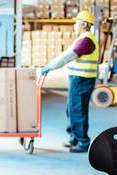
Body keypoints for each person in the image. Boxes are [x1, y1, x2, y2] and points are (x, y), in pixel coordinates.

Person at [40, 11, 99, 153]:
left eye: (77, 21)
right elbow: (66, 54)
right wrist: (50, 64)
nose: (74, 25)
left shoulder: (86, 40)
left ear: (84, 24)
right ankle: (74, 138)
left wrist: (50, 67)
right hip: (78, 79)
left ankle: (83, 142)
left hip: (82, 79)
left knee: (77, 110)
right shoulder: (82, 38)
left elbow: (68, 56)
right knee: (71, 109)